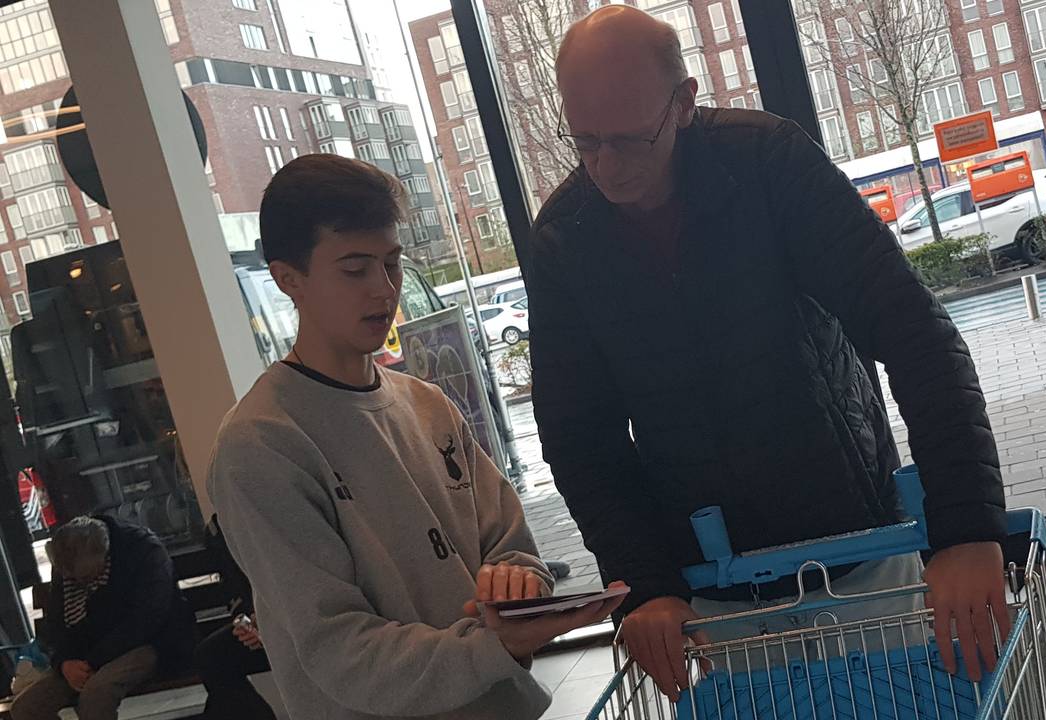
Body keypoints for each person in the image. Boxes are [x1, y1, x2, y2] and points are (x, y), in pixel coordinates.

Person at [527, 6, 1008, 702]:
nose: (607, 167)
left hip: (859, 542)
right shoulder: (564, 240)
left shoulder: (770, 163)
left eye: (631, 139)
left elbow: (913, 331)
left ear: (686, 102)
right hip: (714, 577)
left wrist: (965, 527)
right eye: (586, 142)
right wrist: (646, 585)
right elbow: (580, 440)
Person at [206, 154, 623, 720]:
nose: (383, 290)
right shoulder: (261, 445)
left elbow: (513, 546)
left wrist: (518, 586)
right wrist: (494, 644)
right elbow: (338, 651)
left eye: (392, 264)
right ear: (288, 278)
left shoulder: (427, 405)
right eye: (355, 269)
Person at [13, 516, 196, 720]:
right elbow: (55, 625)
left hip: (150, 643)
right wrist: (64, 662)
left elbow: (147, 619)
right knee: (26, 708)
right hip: (85, 654)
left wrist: (93, 661)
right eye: (72, 578)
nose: (79, 583)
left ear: (103, 553)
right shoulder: (67, 562)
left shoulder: (142, 549)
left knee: (96, 693)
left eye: (86, 577)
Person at [193, 515, 274, 720]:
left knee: (220, 696)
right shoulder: (218, 529)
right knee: (211, 655)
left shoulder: (271, 512)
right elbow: (232, 586)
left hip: (293, 617)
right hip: (259, 620)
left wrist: (268, 621)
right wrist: (246, 620)